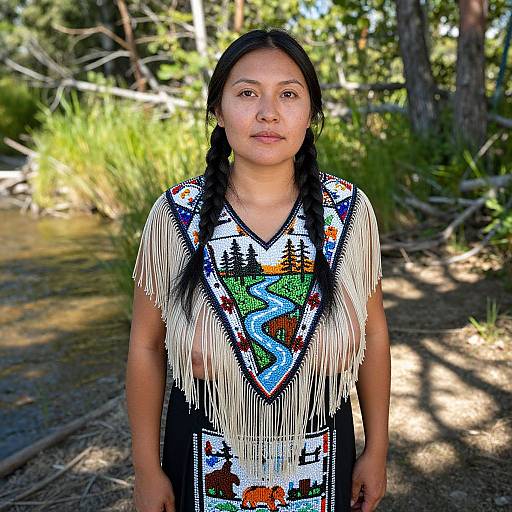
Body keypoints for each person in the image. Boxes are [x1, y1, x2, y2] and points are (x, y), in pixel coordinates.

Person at [126, 28, 391, 512]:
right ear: (218, 110)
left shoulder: (350, 212)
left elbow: (373, 334)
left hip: (324, 453)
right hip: (200, 451)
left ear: (310, 113)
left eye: (288, 94)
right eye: (247, 93)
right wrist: (146, 468)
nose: (268, 112)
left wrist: (378, 449)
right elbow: (145, 346)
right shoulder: (175, 216)